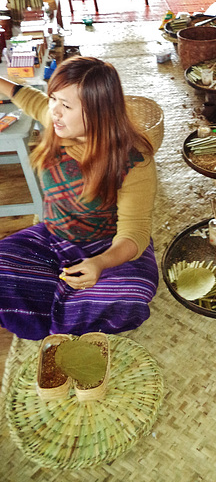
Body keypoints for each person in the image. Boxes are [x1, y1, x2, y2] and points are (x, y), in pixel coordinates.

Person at [0, 56, 159, 340]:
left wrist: (99, 264)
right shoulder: (61, 123)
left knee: (133, 292)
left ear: (98, 112)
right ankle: (68, 308)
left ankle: (59, 304)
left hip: (108, 244)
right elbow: (30, 98)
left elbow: (134, 231)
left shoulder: (135, 161)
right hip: (54, 236)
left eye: (66, 105)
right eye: (54, 100)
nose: (54, 112)